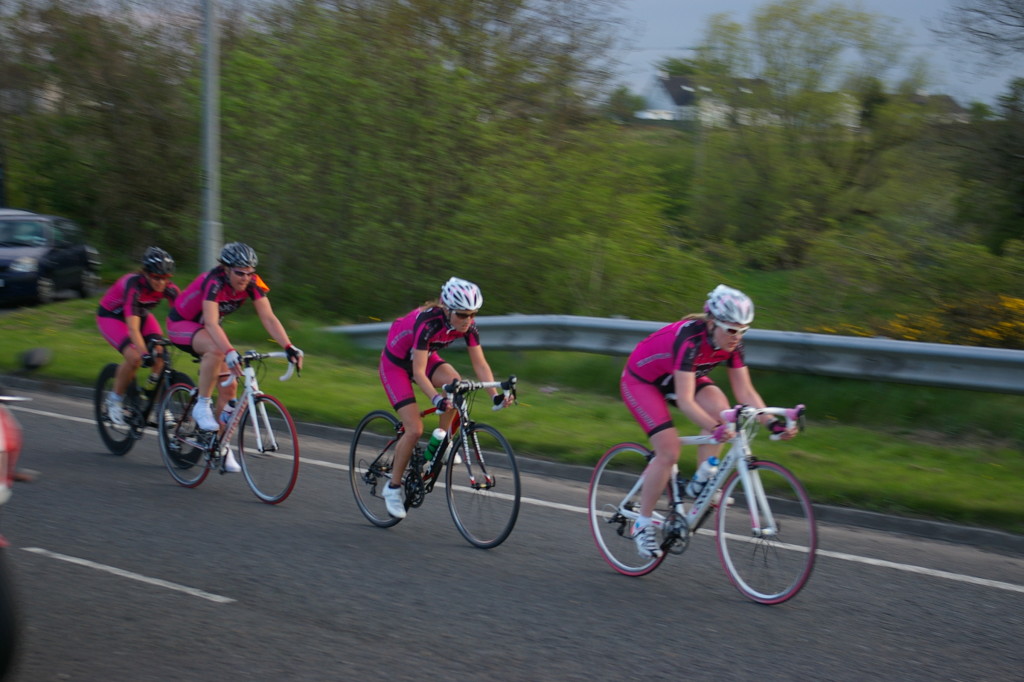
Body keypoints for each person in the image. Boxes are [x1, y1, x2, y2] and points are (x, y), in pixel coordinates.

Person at [620, 284, 798, 559]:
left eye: (743, 331)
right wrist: (716, 429)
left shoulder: (733, 342)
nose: (736, 337)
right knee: (668, 450)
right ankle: (642, 524)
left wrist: (772, 423)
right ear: (712, 323)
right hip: (642, 381)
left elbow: (746, 392)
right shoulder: (689, 339)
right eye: (731, 330)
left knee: (722, 410)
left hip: (679, 376)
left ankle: (701, 481)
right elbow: (686, 399)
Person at [377, 277, 513, 518]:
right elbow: (418, 373)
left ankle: (442, 441)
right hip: (396, 365)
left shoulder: (468, 325)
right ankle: (393, 487)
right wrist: (435, 399)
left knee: (455, 385)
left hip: (423, 357)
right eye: (462, 314)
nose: (468, 320)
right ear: (447, 309)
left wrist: (495, 396)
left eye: (472, 314)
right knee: (415, 429)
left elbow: (480, 364)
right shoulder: (428, 322)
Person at [167, 242, 303, 472]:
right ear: (225, 269)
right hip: (183, 325)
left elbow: (268, 318)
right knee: (219, 350)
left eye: (250, 273)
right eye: (239, 273)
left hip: (207, 331)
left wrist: (288, 346)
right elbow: (210, 322)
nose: (245, 278)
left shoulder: (252, 282)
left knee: (229, 391)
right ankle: (201, 405)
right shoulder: (214, 281)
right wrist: (229, 351)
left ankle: (219, 445)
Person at [97, 247, 180, 426]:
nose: (161, 283)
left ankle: (158, 405)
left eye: (165, 279)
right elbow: (133, 330)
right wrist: (144, 353)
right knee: (134, 357)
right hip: (112, 317)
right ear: (146, 274)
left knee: (161, 355)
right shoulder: (133, 285)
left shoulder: (170, 289)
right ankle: (114, 399)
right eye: (156, 278)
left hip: (139, 314)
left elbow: (182, 316)